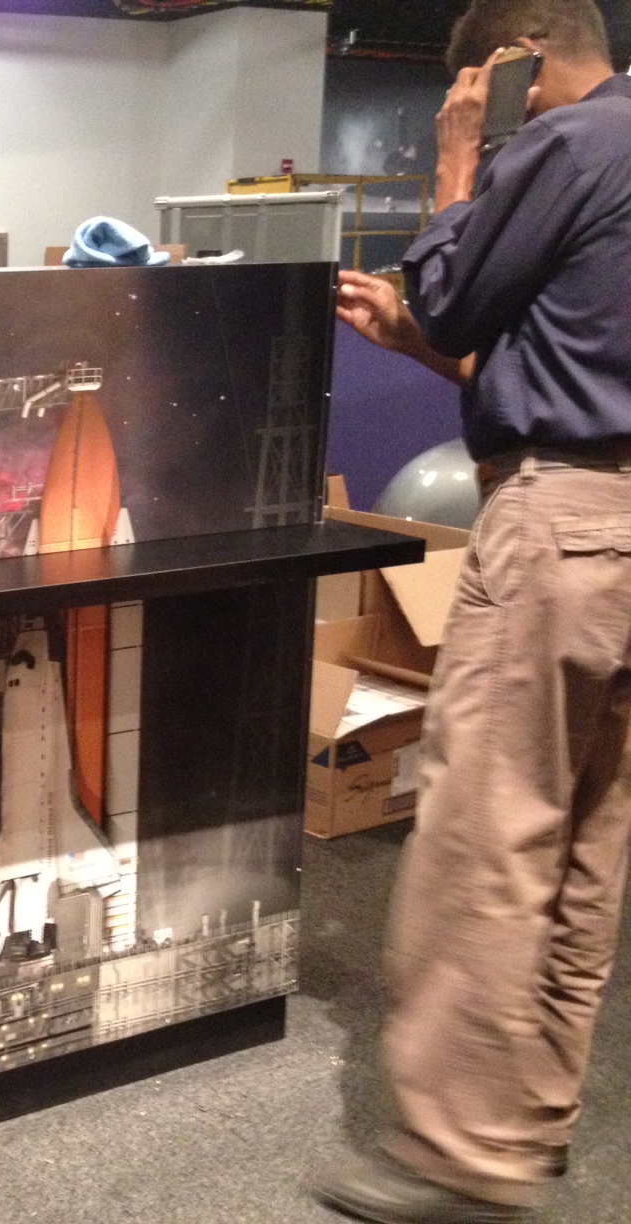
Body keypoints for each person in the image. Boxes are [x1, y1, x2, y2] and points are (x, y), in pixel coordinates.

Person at [313, 2, 631, 1221]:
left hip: (560, 528)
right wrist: (422, 344)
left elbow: (448, 298)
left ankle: (457, 1154)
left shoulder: (568, 142)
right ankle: (531, 1122)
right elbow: (553, 355)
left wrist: (457, 162)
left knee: (486, 836)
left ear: (514, 61)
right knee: (586, 838)